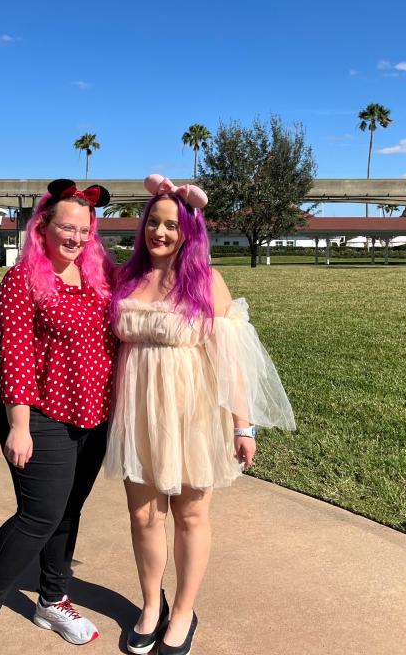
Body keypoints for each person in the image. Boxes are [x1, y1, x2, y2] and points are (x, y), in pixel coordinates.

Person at [105, 175, 296, 655]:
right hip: (137, 413)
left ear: (188, 231)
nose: (161, 233)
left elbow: (231, 359)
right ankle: (152, 604)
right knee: (144, 514)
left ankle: (184, 611)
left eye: (171, 225)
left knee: (190, 515)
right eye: (154, 222)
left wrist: (242, 423)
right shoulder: (127, 277)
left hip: (192, 412)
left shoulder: (206, 281)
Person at [0, 179, 116, 655]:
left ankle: (52, 598)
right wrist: (19, 426)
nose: (77, 238)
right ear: (42, 227)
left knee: (67, 512)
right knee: (38, 515)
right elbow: (16, 357)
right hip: (39, 415)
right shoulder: (22, 279)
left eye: (84, 230)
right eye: (67, 227)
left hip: (92, 416)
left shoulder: (99, 275)